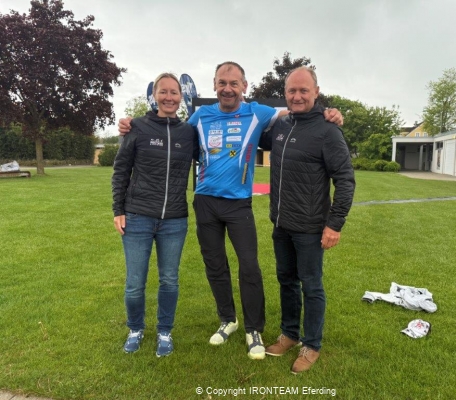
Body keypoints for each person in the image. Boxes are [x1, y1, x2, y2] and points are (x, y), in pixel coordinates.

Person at [118, 61, 343, 360]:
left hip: (239, 204)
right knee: (215, 266)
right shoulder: (200, 116)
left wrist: (328, 112)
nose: (227, 89)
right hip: (205, 202)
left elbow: (294, 110)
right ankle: (228, 320)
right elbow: (169, 129)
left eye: (234, 83)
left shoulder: (257, 112)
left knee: (249, 267)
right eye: (222, 83)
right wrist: (130, 123)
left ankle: (254, 329)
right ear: (214, 85)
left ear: (244, 86)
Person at [259, 67, 355, 373]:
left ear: (316, 92)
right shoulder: (281, 126)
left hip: (311, 228)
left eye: (304, 90)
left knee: (311, 286)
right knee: (286, 280)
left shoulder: (328, 131)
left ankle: (311, 345)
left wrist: (334, 224)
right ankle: (289, 334)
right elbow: (253, 132)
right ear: (285, 93)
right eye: (292, 90)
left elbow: (345, 180)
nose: (297, 96)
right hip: (281, 223)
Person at [112, 72, 198, 357]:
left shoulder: (189, 132)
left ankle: (164, 331)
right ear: (154, 95)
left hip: (174, 219)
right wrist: (118, 210)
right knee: (135, 283)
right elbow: (121, 170)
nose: (169, 97)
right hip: (137, 216)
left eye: (174, 92)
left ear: (181, 97)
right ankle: (135, 329)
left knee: (169, 280)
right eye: (164, 92)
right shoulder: (137, 126)